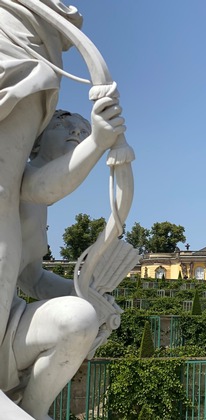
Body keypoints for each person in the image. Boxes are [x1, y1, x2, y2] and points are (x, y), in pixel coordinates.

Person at [3, 101, 124, 419]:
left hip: (7, 321)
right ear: (36, 141)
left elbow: (32, 277)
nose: (76, 132)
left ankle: (34, 410)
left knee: (78, 319)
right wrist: (98, 141)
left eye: (84, 131)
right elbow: (44, 186)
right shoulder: (11, 172)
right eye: (63, 125)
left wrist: (85, 294)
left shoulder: (41, 209)